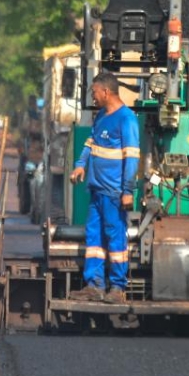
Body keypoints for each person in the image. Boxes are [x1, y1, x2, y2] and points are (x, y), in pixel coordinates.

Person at [69, 71, 140, 304]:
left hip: (113, 193)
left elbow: (131, 157)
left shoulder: (126, 119)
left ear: (106, 91)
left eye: (94, 92)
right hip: (97, 191)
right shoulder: (101, 116)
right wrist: (80, 165)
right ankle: (95, 285)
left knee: (115, 237)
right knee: (94, 239)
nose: (93, 96)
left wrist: (127, 190)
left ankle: (117, 288)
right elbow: (91, 142)